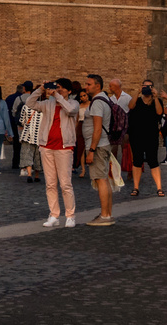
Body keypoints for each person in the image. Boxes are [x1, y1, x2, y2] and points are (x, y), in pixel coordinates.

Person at [26, 78, 81, 227]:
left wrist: (57, 96)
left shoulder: (74, 103)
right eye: (57, 87)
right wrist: (41, 89)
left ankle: (70, 215)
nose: (58, 90)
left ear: (69, 91)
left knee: (65, 184)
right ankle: (54, 215)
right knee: (50, 184)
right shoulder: (47, 104)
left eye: (62, 88)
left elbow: (70, 110)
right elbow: (29, 103)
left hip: (64, 148)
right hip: (47, 147)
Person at [85, 83, 120, 226]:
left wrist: (92, 150)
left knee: (101, 179)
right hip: (102, 145)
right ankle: (107, 213)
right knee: (104, 179)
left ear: (97, 86)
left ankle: (105, 216)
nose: (86, 86)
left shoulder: (98, 102)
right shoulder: (104, 99)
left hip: (98, 146)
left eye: (89, 84)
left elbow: (97, 129)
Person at [128, 80, 164, 197]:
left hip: (151, 135)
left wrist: (156, 97)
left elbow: (159, 112)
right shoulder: (137, 100)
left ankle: (159, 188)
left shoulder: (156, 101)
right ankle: (136, 187)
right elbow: (130, 106)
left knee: (153, 161)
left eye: (149, 87)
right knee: (137, 161)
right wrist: (138, 92)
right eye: (145, 86)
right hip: (137, 135)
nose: (147, 89)